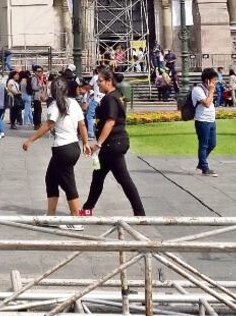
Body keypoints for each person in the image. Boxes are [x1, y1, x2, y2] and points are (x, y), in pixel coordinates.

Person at [22, 75, 90, 227]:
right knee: (51, 179)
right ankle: (50, 216)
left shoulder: (54, 106)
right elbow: (82, 125)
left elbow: (47, 126)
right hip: (73, 147)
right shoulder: (73, 103)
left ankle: (76, 219)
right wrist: (85, 143)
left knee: (68, 183)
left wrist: (30, 140)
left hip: (62, 149)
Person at [80, 68, 145, 216]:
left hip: (113, 143)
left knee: (123, 179)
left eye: (100, 81)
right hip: (113, 143)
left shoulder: (110, 98)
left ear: (109, 81)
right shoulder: (115, 96)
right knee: (98, 177)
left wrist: (98, 144)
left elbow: (110, 122)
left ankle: (140, 213)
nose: (98, 84)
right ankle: (87, 208)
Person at [192, 68, 219, 176]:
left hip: (211, 120)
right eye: (214, 80)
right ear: (207, 80)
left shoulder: (208, 89)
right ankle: (204, 167)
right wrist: (211, 91)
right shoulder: (197, 90)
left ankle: (201, 163)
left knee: (212, 144)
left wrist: (211, 91)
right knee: (203, 145)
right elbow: (207, 104)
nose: (216, 82)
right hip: (202, 121)